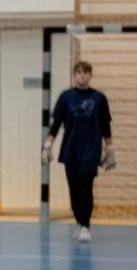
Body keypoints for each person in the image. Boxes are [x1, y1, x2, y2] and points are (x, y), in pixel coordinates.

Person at [44, 59, 114, 244]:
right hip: (70, 149)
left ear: (90, 75)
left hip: (91, 149)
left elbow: (105, 125)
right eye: (79, 73)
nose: (82, 76)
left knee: (85, 187)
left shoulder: (99, 98)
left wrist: (109, 147)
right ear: (74, 76)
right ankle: (79, 221)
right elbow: (56, 124)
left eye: (85, 73)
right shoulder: (65, 97)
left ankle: (86, 227)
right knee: (74, 189)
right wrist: (48, 145)